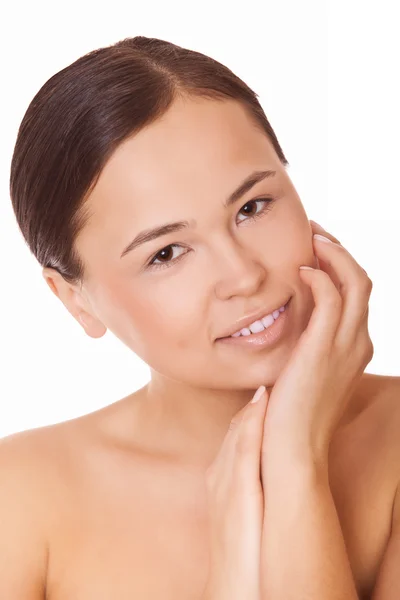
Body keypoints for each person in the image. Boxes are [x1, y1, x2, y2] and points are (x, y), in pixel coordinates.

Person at [2, 35, 399, 600]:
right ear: (74, 299)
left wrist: (293, 462)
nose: (244, 276)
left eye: (252, 207)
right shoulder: (20, 501)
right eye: (165, 253)